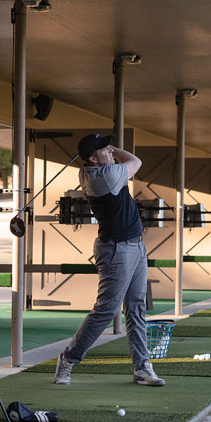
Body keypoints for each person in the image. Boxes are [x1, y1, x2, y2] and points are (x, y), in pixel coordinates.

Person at [54, 133, 165, 387]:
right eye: (105, 149)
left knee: (136, 307)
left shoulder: (94, 169)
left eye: (109, 147)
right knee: (106, 310)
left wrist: (106, 150)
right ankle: (68, 359)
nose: (111, 152)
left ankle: (142, 367)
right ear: (93, 158)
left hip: (135, 246)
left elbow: (123, 160)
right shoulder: (104, 176)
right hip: (117, 250)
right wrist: (113, 150)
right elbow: (135, 161)